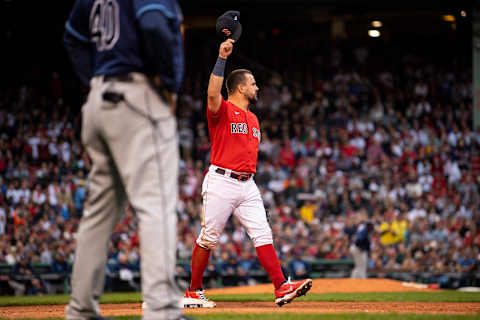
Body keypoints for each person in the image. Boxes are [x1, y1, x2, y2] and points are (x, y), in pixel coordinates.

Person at [63, 0, 192, 319]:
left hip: (98, 102)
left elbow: (73, 36)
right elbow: (152, 24)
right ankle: (162, 309)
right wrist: (169, 83)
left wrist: (94, 80)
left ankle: (80, 310)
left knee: (99, 211)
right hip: (137, 95)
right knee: (156, 204)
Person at [183, 38, 312, 308]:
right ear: (241, 87)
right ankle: (194, 292)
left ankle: (281, 287)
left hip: (247, 184)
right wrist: (221, 57)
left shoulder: (253, 119)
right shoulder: (222, 110)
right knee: (208, 238)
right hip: (221, 180)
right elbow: (211, 94)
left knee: (263, 233)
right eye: (253, 83)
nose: (257, 87)